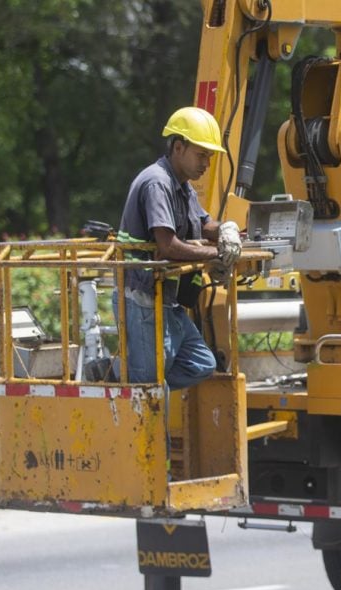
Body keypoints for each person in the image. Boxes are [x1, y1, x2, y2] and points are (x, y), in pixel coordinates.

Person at [115, 106, 242, 387]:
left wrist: (227, 230)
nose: (206, 164)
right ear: (178, 147)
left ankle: (124, 373)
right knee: (147, 385)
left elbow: (203, 223)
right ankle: (121, 376)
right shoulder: (157, 183)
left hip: (165, 295)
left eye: (209, 157)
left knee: (201, 364)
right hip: (142, 295)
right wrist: (219, 255)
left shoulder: (182, 186)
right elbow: (168, 246)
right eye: (201, 155)